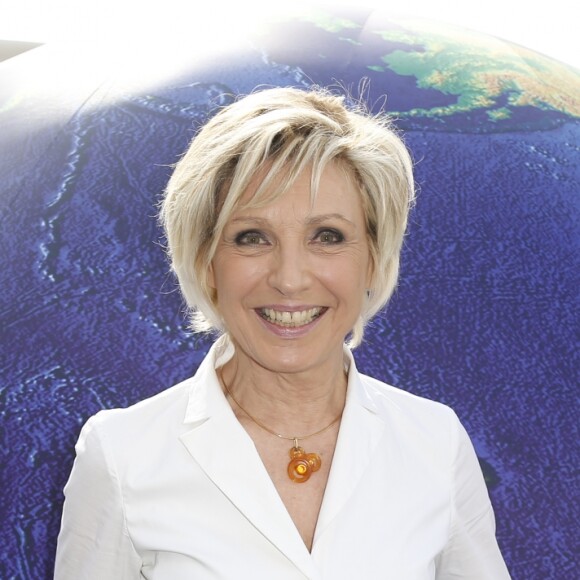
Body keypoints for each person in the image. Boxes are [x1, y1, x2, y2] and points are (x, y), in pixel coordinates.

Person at [54, 86, 511, 578]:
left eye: (328, 237)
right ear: (206, 261)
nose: (290, 278)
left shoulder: (434, 443)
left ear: (374, 261)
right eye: (252, 238)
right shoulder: (122, 454)